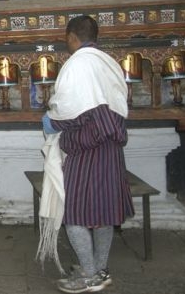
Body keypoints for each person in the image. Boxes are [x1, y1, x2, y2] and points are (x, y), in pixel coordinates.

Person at [42, 15, 134, 294]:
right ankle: (99, 268)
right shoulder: (108, 63)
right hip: (111, 149)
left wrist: (50, 120)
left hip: (88, 149)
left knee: (75, 216)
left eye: (65, 38)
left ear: (72, 36)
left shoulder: (78, 64)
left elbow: (69, 108)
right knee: (105, 213)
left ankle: (91, 276)